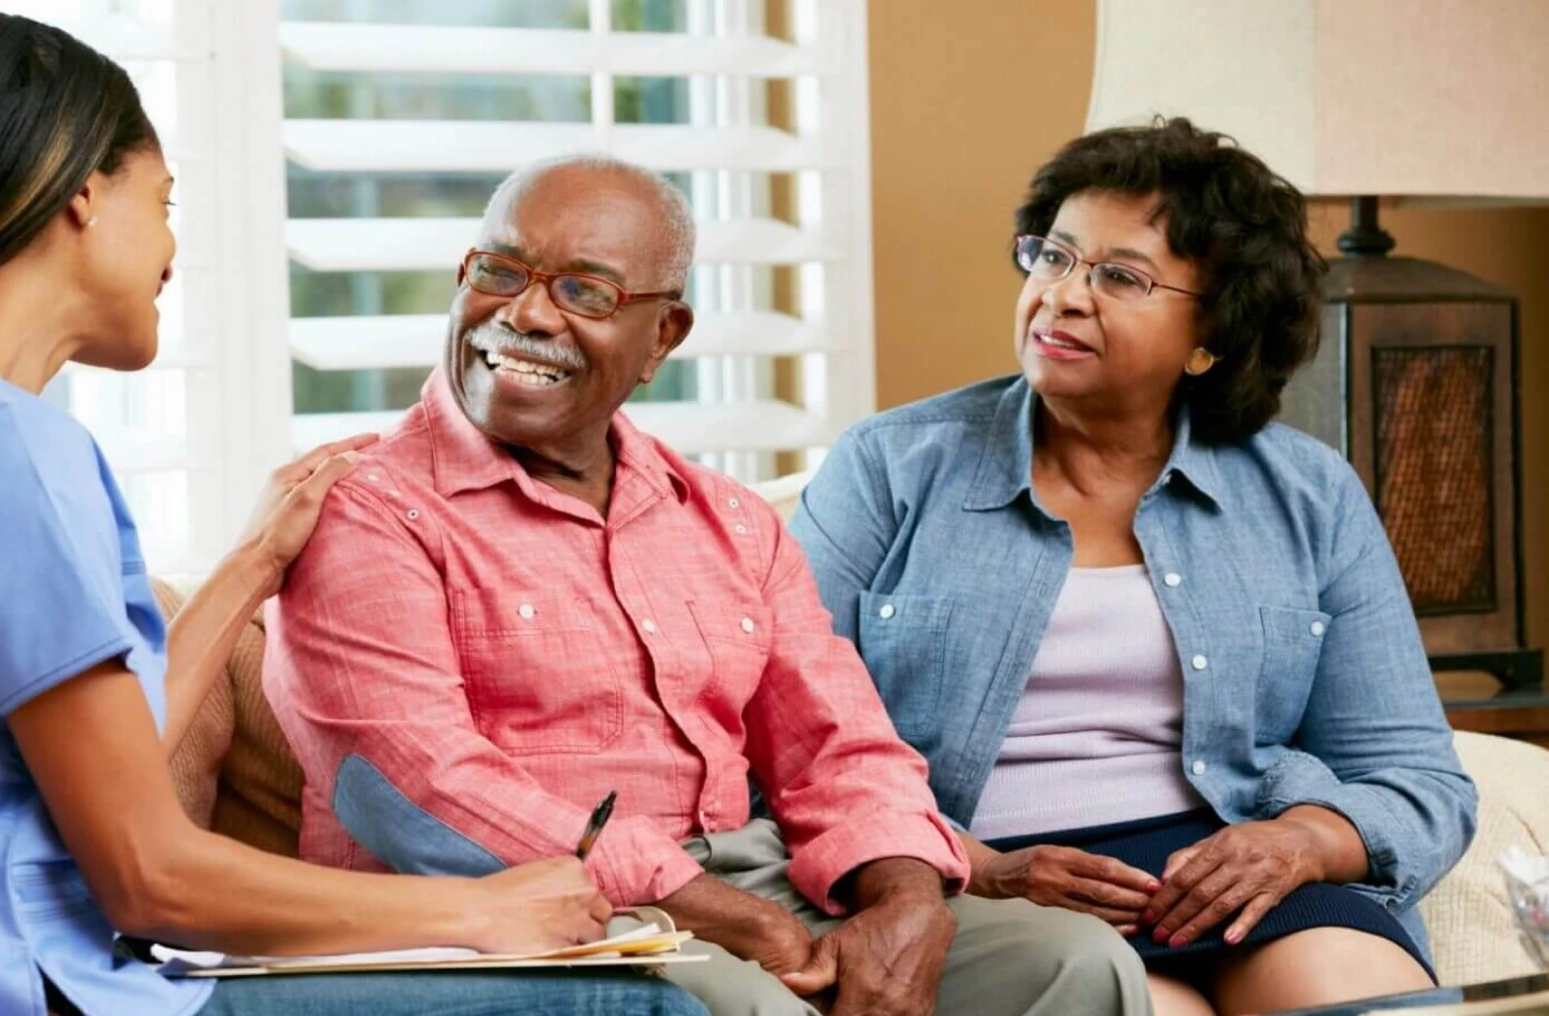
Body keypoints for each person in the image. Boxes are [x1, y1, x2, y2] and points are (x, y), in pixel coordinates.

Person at [0, 14, 708, 1016]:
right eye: (161, 200)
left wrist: (253, 561)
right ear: (83, 195)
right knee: (637, 1004)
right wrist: (477, 909)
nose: (170, 244)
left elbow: (104, 770)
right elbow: (146, 872)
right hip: (16, 983)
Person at [262, 152, 1151, 1016]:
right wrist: (726, 916)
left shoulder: (725, 519)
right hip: (525, 917)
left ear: (662, 337)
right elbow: (416, 790)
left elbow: (840, 747)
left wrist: (904, 902)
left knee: (1075, 965)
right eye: (500, 271)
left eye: (585, 291)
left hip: (754, 885)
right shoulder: (366, 508)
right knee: (747, 1002)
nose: (526, 313)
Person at [788, 117, 1478, 1016]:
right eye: (1053, 257)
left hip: (1235, 869)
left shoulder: (1307, 493)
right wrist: (976, 867)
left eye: (1120, 276)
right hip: (990, 875)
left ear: (1212, 339)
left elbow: (1416, 776)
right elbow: (782, 735)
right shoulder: (889, 466)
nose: (1063, 297)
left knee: (1360, 1002)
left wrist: (1303, 841)